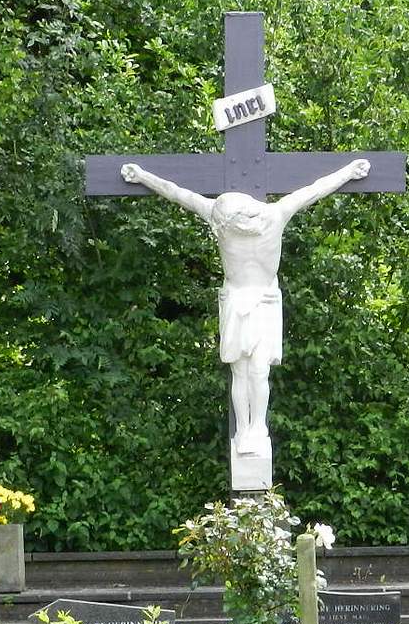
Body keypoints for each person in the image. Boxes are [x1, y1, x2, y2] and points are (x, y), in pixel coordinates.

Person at [121, 159, 370, 455]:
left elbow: (315, 190)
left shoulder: (275, 214)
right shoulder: (218, 215)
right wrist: (142, 176)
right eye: (229, 226)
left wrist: (349, 172)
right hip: (236, 298)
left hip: (265, 300)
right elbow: (177, 193)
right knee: (240, 372)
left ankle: (258, 428)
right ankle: (242, 430)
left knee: (259, 370)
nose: (238, 227)